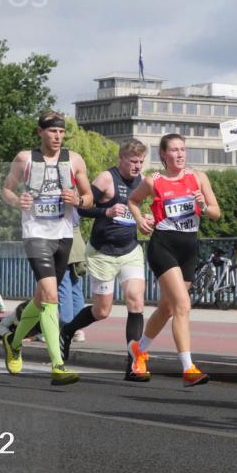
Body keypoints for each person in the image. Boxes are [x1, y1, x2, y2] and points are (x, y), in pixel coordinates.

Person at [0, 110, 92, 385]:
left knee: (41, 299)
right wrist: (17, 201)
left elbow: (89, 198)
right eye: (53, 131)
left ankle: (13, 342)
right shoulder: (25, 158)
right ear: (40, 131)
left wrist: (77, 198)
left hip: (64, 234)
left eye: (62, 132)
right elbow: (6, 189)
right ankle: (57, 365)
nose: (58, 137)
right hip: (35, 233)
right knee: (52, 296)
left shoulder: (74, 160)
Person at [128, 134, 221, 386]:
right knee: (182, 306)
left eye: (183, 149)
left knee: (168, 308)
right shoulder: (153, 181)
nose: (180, 154)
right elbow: (133, 200)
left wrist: (204, 204)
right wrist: (140, 220)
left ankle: (140, 349)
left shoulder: (198, 178)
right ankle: (188, 368)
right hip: (163, 246)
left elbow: (216, 212)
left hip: (189, 248)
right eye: (174, 150)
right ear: (163, 155)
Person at [64, 139, 151, 380]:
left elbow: (142, 209)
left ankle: (134, 364)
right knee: (102, 311)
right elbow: (83, 206)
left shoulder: (142, 181)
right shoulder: (106, 179)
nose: (137, 166)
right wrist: (107, 211)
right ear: (121, 159)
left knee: (136, 301)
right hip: (102, 252)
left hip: (130, 250)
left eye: (141, 162)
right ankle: (68, 331)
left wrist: (145, 220)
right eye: (133, 161)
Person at [57, 228, 87, 343]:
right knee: (76, 289)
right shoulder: (76, 210)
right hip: (78, 247)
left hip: (62, 244)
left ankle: (67, 328)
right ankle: (77, 329)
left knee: (63, 288)